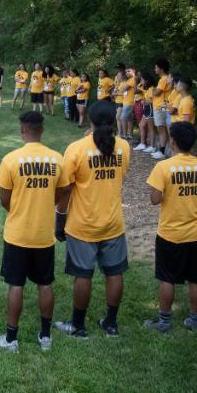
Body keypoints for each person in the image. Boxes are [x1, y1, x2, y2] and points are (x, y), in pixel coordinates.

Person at [0, 111, 70, 352]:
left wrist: (18, 208)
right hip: (44, 235)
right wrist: (48, 203)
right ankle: (45, 336)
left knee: (16, 285)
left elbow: (4, 198)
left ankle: (11, 339)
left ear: (22, 130)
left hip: (17, 233)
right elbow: (64, 190)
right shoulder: (57, 159)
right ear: (42, 130)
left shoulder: (11, 159)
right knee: (45, 284)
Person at [54, 102, 131, 338]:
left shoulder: (77, 149)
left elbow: (66, 189)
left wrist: (59, 220)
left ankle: (77, 325)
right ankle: (111, 322)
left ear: (91, 119)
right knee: (114, 272)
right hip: (113, 222)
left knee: (83, 274)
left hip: (83, 223)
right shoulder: (124, 147)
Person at [142, 122, 197, 332]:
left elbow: (154, 200)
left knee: (167, 278)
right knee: (196, 278)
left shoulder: (163, 167)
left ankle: (164, 322)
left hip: (169, 233)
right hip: (195, 233)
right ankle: (194, 320)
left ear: (172, 141)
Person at [151, 58, 172, 159]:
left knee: (161, 129)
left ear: (161, 68)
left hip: (160, 107)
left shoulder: (163, 79)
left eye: (156, 67)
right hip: (160, 106)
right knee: (162, 129)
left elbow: (156, 92)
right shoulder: (163, 78)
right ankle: (164, 150)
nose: (155, 69)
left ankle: (162, 151)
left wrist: (153, 91)